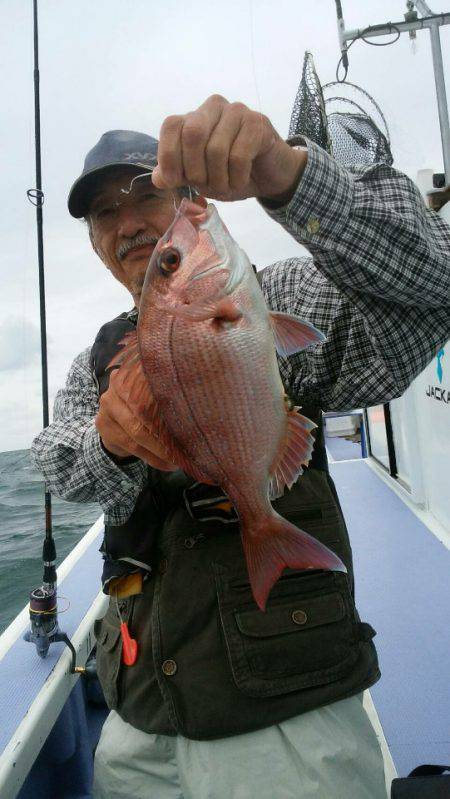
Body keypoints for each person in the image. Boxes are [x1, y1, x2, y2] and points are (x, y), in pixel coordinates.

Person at [32, 95, 450, 799]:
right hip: (139, 720)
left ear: (185, 196)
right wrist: (108, 438)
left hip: (285, 718)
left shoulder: (269, 293)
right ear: (96, 241)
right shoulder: (95, 362)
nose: (129, 221)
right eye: (106, 213)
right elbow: (55, 457)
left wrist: (290, 177)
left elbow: (433, 289)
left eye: (146, 192)